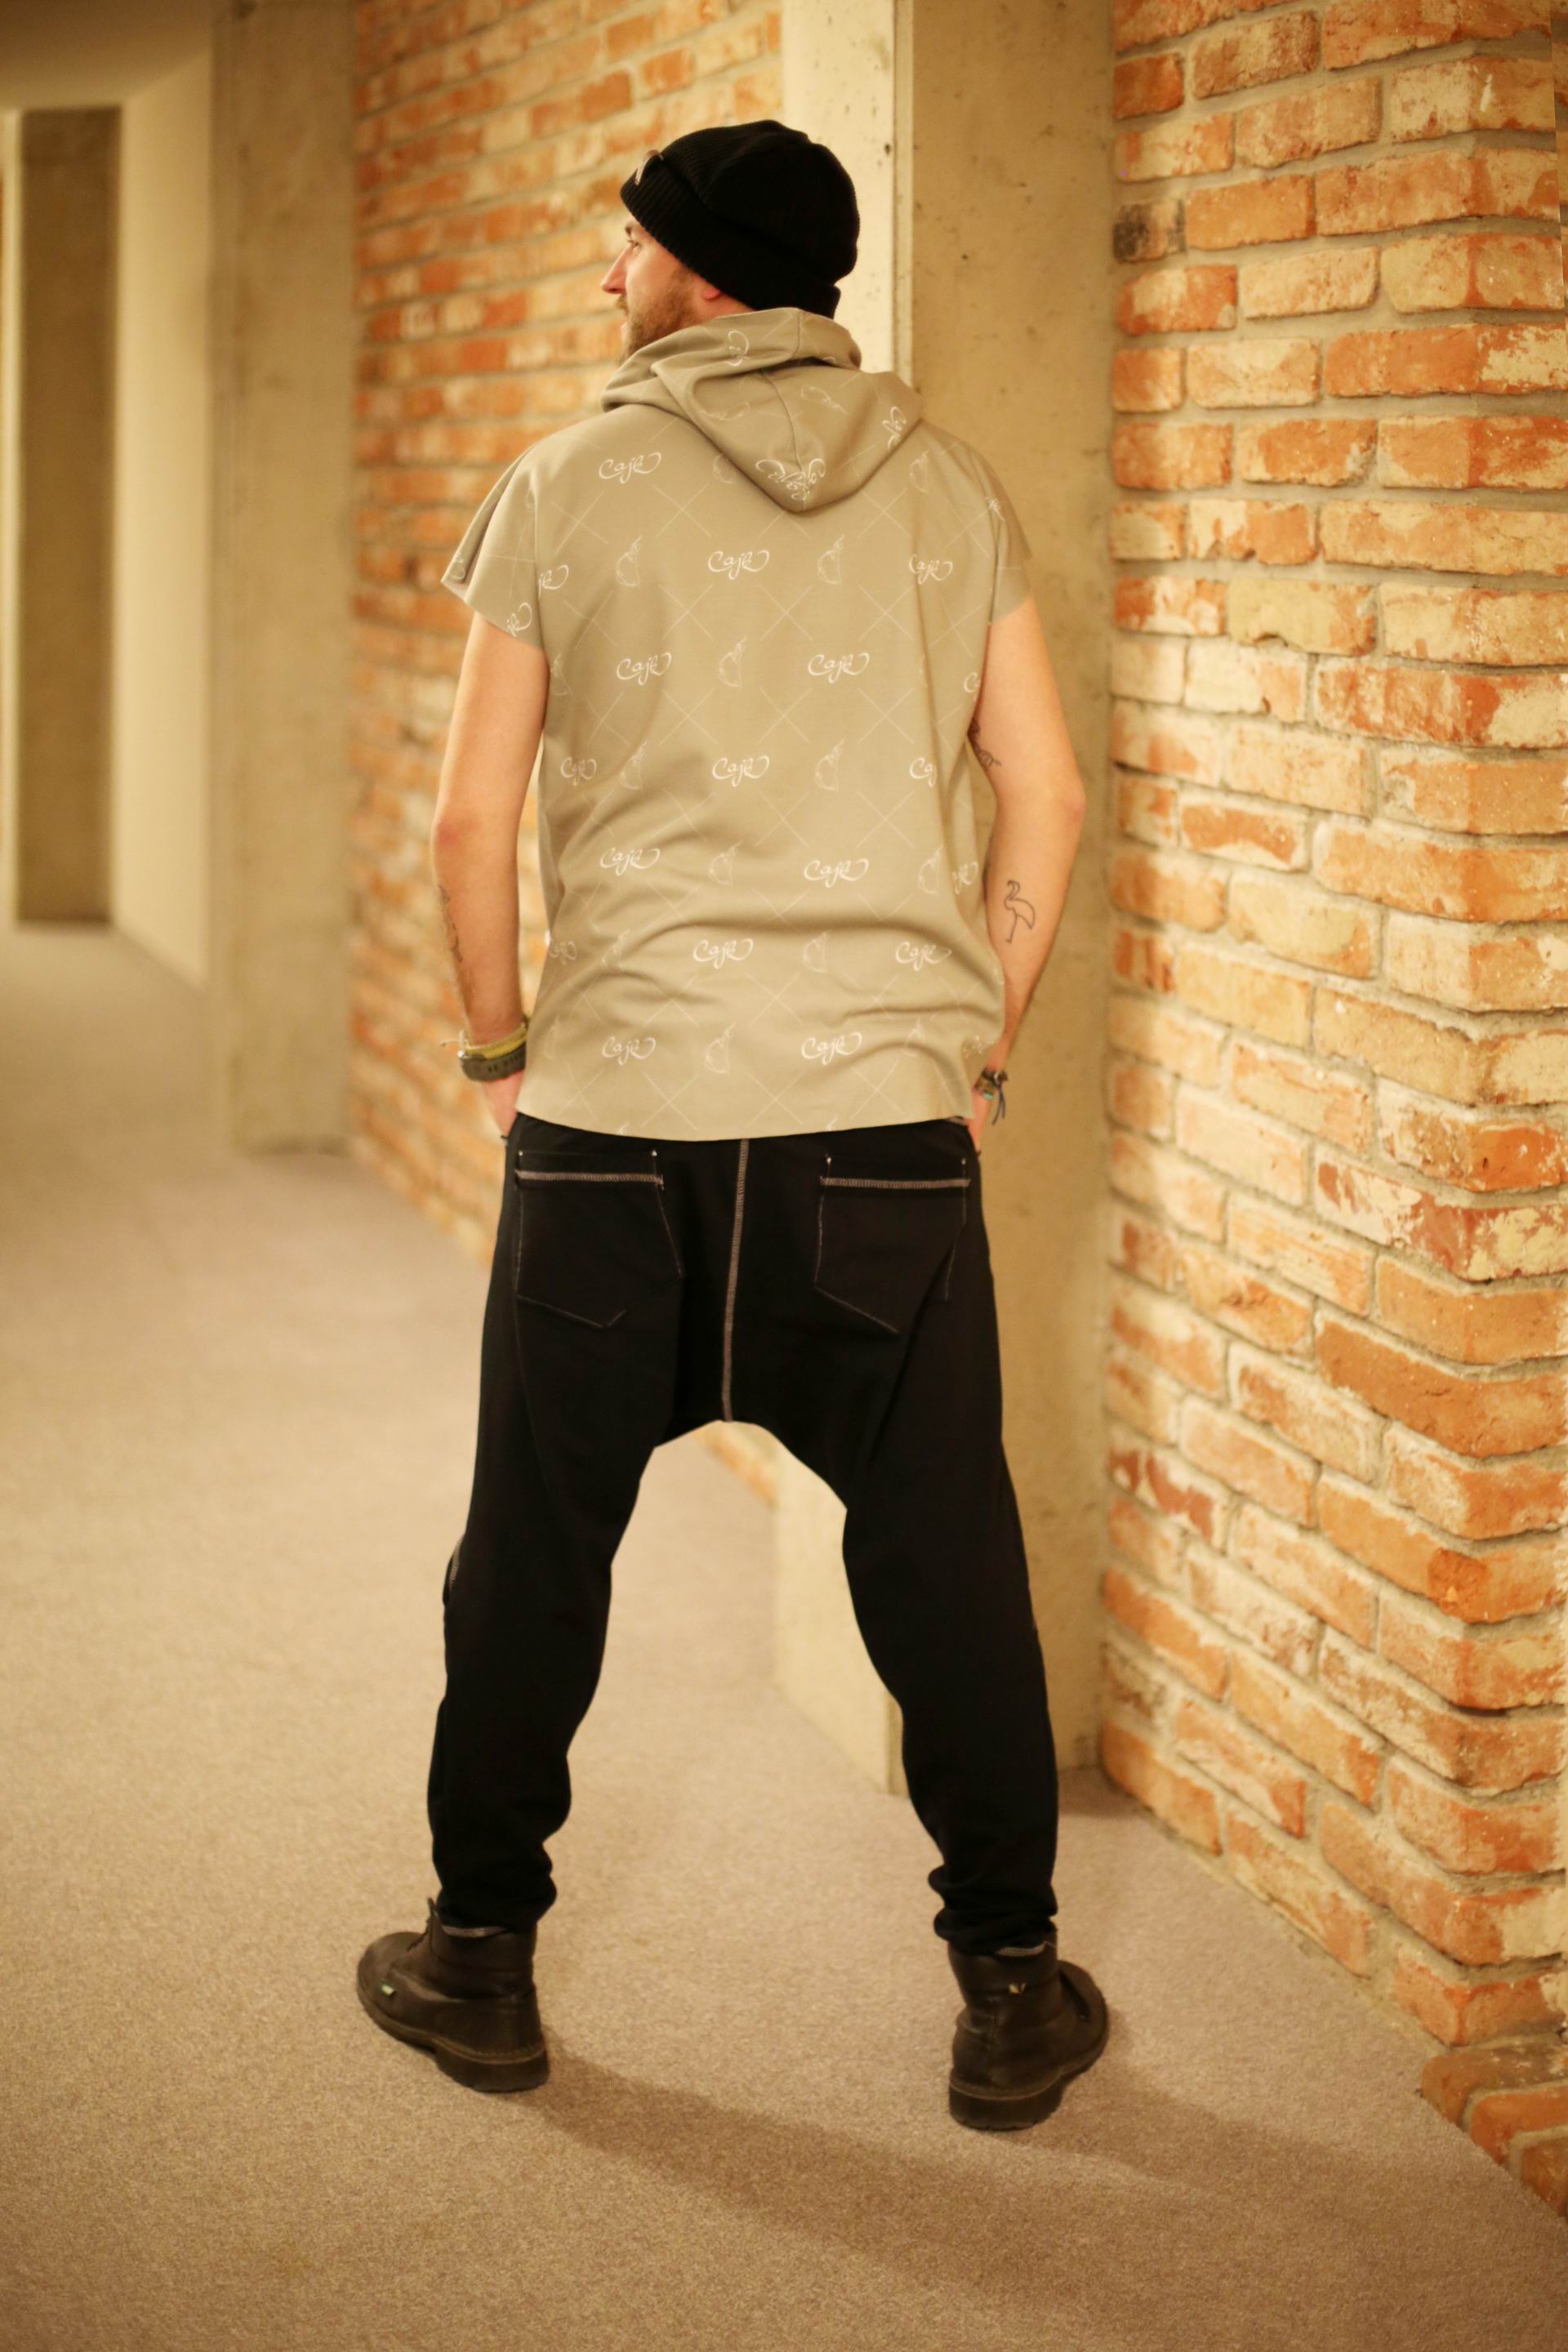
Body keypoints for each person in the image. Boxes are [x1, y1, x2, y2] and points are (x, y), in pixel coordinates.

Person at [357, 118, 1105, 2131]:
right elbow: (1046, 797)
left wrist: (497, 1051)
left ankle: (479, 1957)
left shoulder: (564, 482)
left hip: (617, 1122)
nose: (610, 276)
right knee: (944, 1563)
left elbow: (469, 818)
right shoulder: (952, 488)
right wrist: (978, 1048)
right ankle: (1012, 1985)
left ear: (696, 269)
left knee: (534, 1552)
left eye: (629, 245)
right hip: (881, 1127)